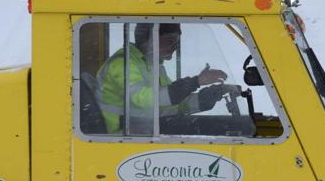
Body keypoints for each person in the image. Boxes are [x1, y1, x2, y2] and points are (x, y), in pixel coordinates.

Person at [97, 23, 230, 134]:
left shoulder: (153, 65)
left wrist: (204, 98)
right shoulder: (122, 63)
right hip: (119, 136)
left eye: (177, 42)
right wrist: (195, 81)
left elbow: (169, 103)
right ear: (149, 39)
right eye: (170, 41)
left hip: (143, 131)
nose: (174, 47)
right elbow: (143, 99)